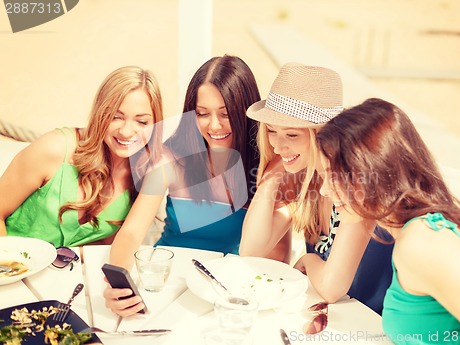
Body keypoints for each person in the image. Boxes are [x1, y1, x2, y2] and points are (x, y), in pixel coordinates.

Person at [316, 98, 460, 344]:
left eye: (333, 176)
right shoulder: (410, 233)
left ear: (371, 173)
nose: (323, 191)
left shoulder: (423, 243)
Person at [105, 55, 261, 316]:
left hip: (226, 289)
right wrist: (118, 283)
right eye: (202, 114)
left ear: (245, 111)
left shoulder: (263, 167)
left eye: (225, 114)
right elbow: (133, 231)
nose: (213, 125)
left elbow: (274, 254)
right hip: (166, 281)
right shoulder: (171, 158)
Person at [239, 63, 393, 314]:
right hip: (331, 319)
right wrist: (271, 177)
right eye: (271, 131)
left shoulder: (354, 184)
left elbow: (333, 288)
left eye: (291, 135)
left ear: (322, 134)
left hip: (376, 323)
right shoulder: (304, 178)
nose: (278, 146)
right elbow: (251, 250)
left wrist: (309, 260)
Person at [0, 66, 164, 247]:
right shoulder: (55, 148)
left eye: (142, 121)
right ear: (100, 114)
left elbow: (106, 249)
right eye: (115, 117)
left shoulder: (146, 176)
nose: (126, 131)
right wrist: (10, 267)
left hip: (68, 274)